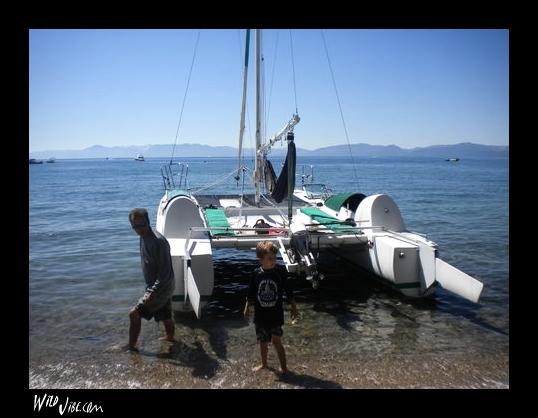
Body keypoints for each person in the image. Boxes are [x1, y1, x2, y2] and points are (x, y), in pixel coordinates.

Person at [244, 241, 298, 373]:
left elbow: (288, 291)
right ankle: (264, 364)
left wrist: (293, 307)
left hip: (276, 315)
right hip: (261, 316)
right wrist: (247, 307)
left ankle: (284, 368)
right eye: (269, 258)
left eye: (275, 257)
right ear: (260, 260)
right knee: (263, 342)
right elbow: (251, 293)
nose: (273, 260)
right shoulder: (256, 273)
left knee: (276, 341)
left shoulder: (279, 272)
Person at [125, 208, 175, 352]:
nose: (138, 230)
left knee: (134, 314)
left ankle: (131, 346)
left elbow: (165, 272)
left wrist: (152, 292)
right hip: (161, 286)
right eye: (135, 226)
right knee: (165, 314)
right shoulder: (143, 236)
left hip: (161, 287)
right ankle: (170, 337)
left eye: (141, 225)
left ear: (148, 222)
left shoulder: (158, 242)